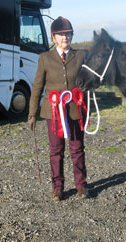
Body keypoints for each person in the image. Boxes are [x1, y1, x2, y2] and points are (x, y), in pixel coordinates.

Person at [28, 16, 88, 201]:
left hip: (75, 110)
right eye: (61, 35)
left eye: (68, 34)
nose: (65, 38)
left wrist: (86, 91)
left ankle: (81, 186)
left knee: (77, 149)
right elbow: (38, 86)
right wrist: (32, 113)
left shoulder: (81, 56)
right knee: (56, 150)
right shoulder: (45, 58)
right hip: (52, 113)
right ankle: (58, 187)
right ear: (53, 37)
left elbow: (90, 80)